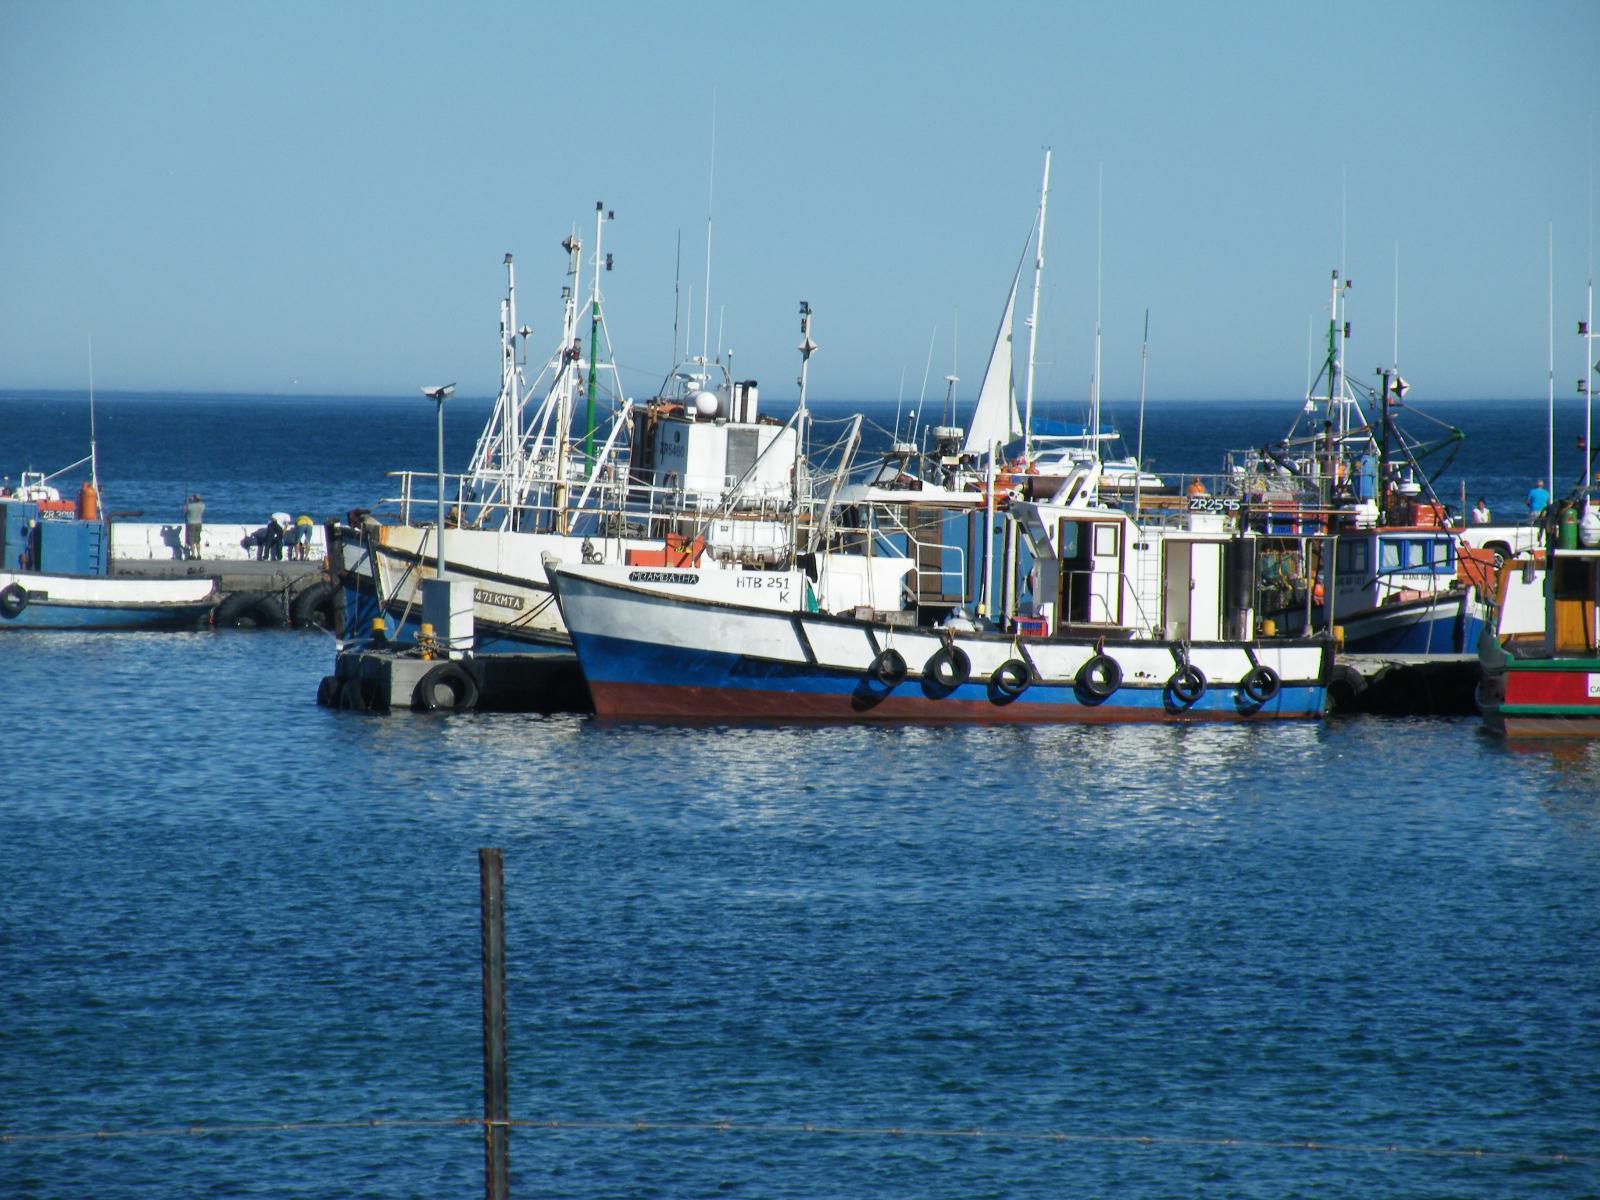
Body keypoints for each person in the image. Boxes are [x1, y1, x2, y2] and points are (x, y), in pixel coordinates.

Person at [184, 494, 205, 560]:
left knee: (192, 540)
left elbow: (184, 511)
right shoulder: (202, 506)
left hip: (191, 524)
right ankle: (199, 555)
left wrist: (187, 501)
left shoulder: (190, 506)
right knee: (197, 540)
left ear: (193, 499)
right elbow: (201, 503)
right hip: (199, 523)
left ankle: (193, 555)